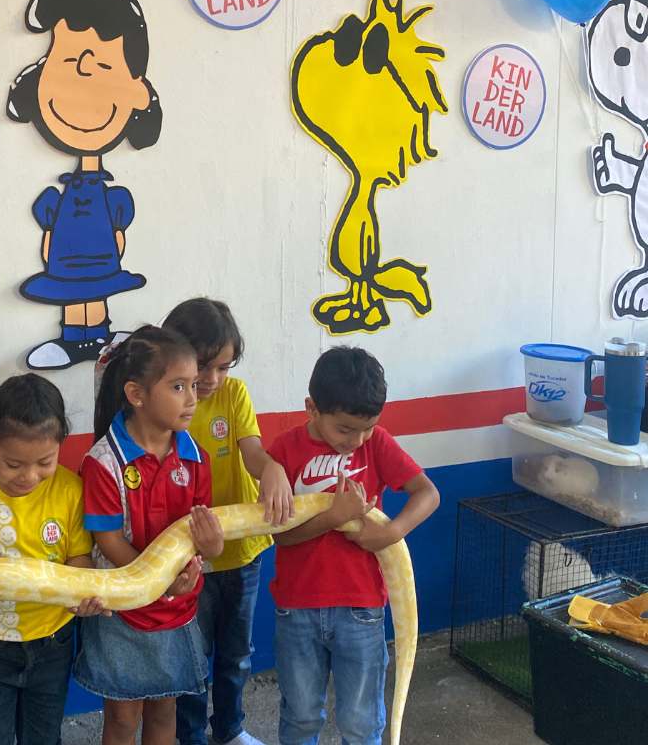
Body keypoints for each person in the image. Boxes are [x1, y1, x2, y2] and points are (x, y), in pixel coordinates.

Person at [268, 347, 440, 745]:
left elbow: (428, 494)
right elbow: (279, 535)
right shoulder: (285, 451)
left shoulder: (376, 444)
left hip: (361, 608)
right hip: (297, 607)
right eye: (345, 430)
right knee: (300, 716)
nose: (356, 440)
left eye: (367, 428)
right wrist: (333, 517)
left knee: (361, 723)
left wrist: (391, 532)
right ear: (312, 409)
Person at [6, 0, 163, 369]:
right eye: (67, 61)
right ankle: (75, 339)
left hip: (100, 249)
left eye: (104, 67)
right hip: (65, 252)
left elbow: (118, 225)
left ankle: (100, 337)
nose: (84, 75)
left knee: (97, 283)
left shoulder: (111, 199)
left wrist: (117, 235)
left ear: (137, 92)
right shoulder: (61, 199)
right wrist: (49, 237)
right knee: (71, 287)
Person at [75, 326, 224, 745]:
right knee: (123, 717)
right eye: (178, 386)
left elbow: (201, 531)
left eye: (193, 385)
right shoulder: (104, 462)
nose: (192, 397)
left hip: (177, 607)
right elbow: (108, 540)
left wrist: (211, 548)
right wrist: (157, 578)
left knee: (164, 709)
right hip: (123, 609)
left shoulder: (195, 458)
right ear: (137, 395)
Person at [0, 373, 107, 745]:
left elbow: (79, 557)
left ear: (60, 445)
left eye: (44, 462)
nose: (29, 476)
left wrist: (83, 592)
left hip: (53, 639)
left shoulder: (71, 491)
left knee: (44, 737)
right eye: (14, 464)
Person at [165, 298, 293, 745]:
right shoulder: (169, 403)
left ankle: (230, 728)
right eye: (205, 366)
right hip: (188, 560)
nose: (213, 379)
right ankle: (190, 735)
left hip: (242, 553)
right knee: (190, 658)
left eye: (223, 366)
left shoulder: (233, 394)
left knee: (236, 654)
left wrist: (272, 468)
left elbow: (253, 452)